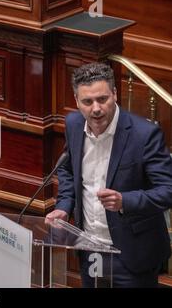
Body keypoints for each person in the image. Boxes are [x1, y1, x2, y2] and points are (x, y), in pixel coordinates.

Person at [46, 62, 172, 287]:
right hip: (89, 248)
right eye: (87, 101)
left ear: (114, 94)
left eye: (102, 99)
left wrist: (125, 201)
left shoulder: (144, 134)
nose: (96, 108)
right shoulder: (74, 124)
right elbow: (67, 169)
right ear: (76, 101)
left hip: (132, 255)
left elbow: (167, 191)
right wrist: (64, 206)